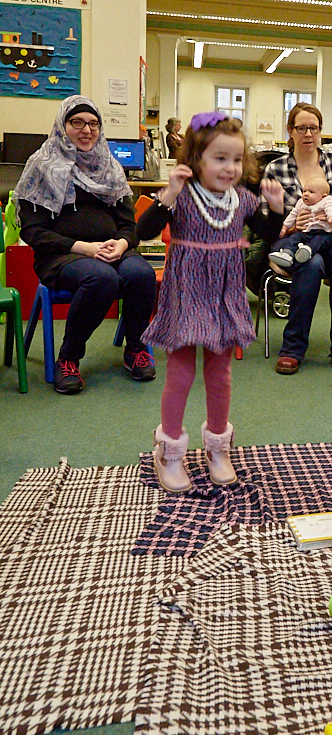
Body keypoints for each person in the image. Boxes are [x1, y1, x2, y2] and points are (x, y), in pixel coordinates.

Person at [136, 112, 284, 493]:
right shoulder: (183, 195)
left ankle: (218, 445)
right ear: (197, 158)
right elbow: (144, 231)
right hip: (186, 289)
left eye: (236, 160)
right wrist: (166, 195)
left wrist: (276, 208)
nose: (230, 168)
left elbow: (269, 234)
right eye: (220, 158)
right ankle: (168, 450)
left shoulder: (244, 198)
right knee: (181, 373)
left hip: (225, 291)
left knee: (220, 374)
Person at [15, 94, 157, 395]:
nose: (86, 130)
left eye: (93, 123)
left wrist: (121, 243)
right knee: (101, 278)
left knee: (141, 273)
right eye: (77, 122)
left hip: (110, 250)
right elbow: (32, 232)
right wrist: (83, 247)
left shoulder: (110, 168)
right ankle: (69, 358)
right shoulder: (40, 167)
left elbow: (129, 225)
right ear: (62, 125)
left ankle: (135, 350)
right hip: (61, 256)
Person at [261, 102, 332, 375]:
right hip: (296, 239)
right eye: (301, 128)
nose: (308, 134)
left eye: (314, 128)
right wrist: (287, 220)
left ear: (320, 131)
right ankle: (293, 348)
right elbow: (264, 218)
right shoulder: (275, 168)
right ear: (290, 131)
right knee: (309, 266)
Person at [268, 175, 332, 268]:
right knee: (294, 238)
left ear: (323, 196)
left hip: (322, 232)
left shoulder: (326, 201)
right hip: (305, 232)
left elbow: (331, 208)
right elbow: (293, 214)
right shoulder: (301, 203)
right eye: (304, 191)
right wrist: (285, 227)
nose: (306, 194)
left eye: (311, 192)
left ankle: (308, 251)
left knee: (318, 241)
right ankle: (287, 253)